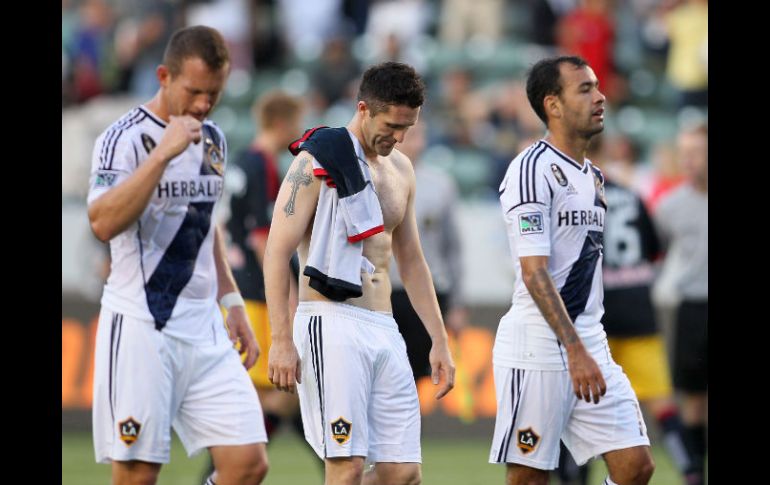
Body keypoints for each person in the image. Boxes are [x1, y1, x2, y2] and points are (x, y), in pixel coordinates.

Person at [87, 25, 268, 485]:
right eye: (194, 91)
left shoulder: (214, 141)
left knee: (247, 465)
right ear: (164, 76)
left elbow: (204, 229)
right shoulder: (124, 138)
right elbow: (103, 222)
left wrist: (231, 303)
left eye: (215, 93)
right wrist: (161, 156)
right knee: (138, 475)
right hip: (143, 325)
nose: (204, 105)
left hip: (204, 328)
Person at [263, 61, 456, 485]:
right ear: (365, 108)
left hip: (384, 326)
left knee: (403, 473)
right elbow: (276, 253)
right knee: (346, 468)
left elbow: (413, 261)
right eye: (392, 124)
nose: (400, 137)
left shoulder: (402, 169)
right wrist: (280, 339)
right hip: (331, 322)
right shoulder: (316, 162)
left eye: (408, 127)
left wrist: (439, 340)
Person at [489, 56, 654, 485]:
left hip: (589, 341)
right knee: (529, 477)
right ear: (553, 105)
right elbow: (534, 272)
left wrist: (585, 346)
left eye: (597, 86)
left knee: (635, 467)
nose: (600, 97)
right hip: (539, 346)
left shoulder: (593, 177)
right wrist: (574, 349)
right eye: (584, 89)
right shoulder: (531, 169)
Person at [556, 137, 703, 485]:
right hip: (639, 310)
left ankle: (574, 478)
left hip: (597, 314)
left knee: (581, 404)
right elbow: (653, 249)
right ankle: (692, 470)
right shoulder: (634, 196)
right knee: (664, 406)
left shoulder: (577, 197)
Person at [198, 91, 307, 483]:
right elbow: (265, 239)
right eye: (296, 122)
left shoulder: (242, 160)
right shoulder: (264, 165)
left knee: (270, 396)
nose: (298, 131)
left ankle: (229, 470)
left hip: (238, 286)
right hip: (258, 293)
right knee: (276, 391)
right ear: (282, 122)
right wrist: (290, 296)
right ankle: (220, 474)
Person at [389, 120, 468, 380]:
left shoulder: (440, 184)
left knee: (416, 377)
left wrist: (456, 303)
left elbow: (452, 248)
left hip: (427, 292)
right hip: (385, 292)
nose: (415, 142)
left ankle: (409, 421)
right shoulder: (372, 179)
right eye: (409, 135)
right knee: (386, 376)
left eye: (419, 135)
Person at [654, 123, 708, 484]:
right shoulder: (670, 207)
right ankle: (696, 474)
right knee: (692, 399)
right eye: (683, 152)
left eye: (696, 152)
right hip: (693, 307)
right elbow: (651, 255)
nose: (687, 160)